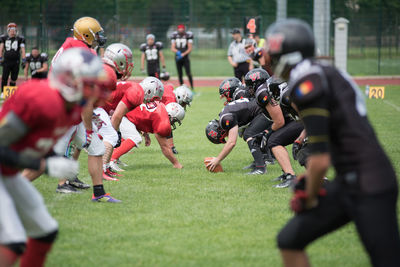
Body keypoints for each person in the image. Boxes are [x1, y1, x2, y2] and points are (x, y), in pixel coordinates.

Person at [264, 19, 400, 267]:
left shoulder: (308, 83)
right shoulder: (321, 70)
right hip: (350, 180)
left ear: (287, 55)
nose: (270, 60)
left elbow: (320, 159)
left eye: (274, 55)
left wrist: (310, 195)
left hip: (371, 183)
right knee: (289, 239)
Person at [0, 47, 104, 267]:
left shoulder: (72, 109)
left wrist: (52, 157)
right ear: (71, 81)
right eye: (89, 82)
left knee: (44, 231)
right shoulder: (39, 98)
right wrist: (43, 164)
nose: (94, 88)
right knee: (12, 240)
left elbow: (39, 141)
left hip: (8, 173)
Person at [205, 98, 272, 175]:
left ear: (220, 132)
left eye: (223, 137)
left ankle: (260, 168)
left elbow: (231, 142)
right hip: (262, 107)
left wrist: (218, 159)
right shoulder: (224, 115)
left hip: (264, 110)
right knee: (253, 133)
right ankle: (261, 160)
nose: (226, 136)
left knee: (249, 134)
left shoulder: (226, 119)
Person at [111, 102, 185, 169]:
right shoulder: (162, 120)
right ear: (170, 115)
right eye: (174, 120)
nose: (173, 123)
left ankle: (114, 159)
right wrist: (176, 163)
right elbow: (164, 147)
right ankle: (111, 160)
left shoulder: (161, 107)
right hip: (124, 116)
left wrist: (145, 134)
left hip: (126, 115)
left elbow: (142, 117)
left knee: (128, 138)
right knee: (135, 138)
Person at [0, 23, 26, 94]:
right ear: (8, 31)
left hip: (16, 61)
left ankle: (11, 93)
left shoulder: (20, 39)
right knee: (4, 77)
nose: (13, 32)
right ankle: (3, 93)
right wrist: (0, 58)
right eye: (11, 30)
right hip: (7, 61)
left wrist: (24, 60)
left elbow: (23, 49)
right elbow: (1, 48)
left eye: (14, 30)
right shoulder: (3, 38)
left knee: (14, 78)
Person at [170, 24, 194, 89]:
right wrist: (178, 52)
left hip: (185, 57)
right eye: (180, 28)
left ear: (184, 29)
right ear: (178, 29)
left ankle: (192, 87)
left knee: (188, 73)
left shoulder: (187, 36)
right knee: (180, 73)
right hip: (178, 57)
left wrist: (183, 54)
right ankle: (181, 87)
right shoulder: (175, 36)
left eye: (182, 28)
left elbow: (190, 48)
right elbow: (172, 48)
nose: (181, 30)